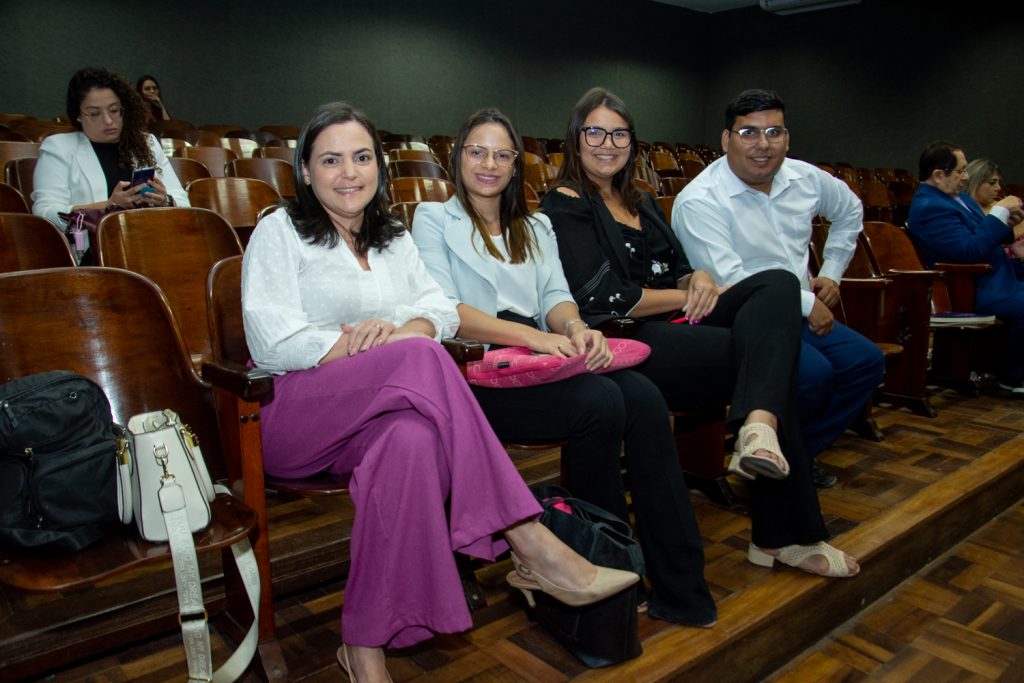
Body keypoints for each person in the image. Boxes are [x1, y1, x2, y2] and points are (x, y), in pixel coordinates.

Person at [241, 101, 638, 682]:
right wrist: (370, 347)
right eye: (331, 160)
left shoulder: (392, 236)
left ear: (377, 164)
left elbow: (436, 310)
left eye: (360, 158)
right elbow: (273, 339)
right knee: (418, 357)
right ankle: (527, 539)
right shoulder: (281, 230)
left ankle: (364, 648)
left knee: (410, 441)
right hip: (292, 411)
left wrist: (403, 332)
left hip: (376, 415)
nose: (349, 173)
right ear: (304, 170)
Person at [412, 108, 716, 626]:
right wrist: (540, 337)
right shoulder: (433, 220)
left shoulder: (536, 224)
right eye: (477, 151)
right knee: (601, 404)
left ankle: (679, 582)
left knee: (642, 397)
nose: (489, 164)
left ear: (516, 164)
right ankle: (610, 568)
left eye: (502, 154)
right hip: (478, 373)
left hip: (544, 359)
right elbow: (447, 312)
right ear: (457, 157)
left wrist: (575, 329)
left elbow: (556, 295)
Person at [541, 87, 859, 580]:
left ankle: (757, 430)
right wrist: (686, 295)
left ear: (632, 142)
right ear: (575, 139)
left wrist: (698, 279)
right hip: (626, 339)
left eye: (619, 133)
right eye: (595, 132)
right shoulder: (565, 203)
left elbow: (681, 268)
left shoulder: (638, 200)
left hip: (675, 322)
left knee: (776, 282)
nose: (608, 143)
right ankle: (783, 536)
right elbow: (607, 299)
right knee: (771, 364)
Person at [673, 88, 885, 490]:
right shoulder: (700, 200)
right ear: (726, 139)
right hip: (741, 318)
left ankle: (792, 459)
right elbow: (730, 283)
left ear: (787, 138)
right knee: (815, 375)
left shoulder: (804, 177)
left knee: (865, 362)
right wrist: (807, 303)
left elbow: (850, 210)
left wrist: (833, 273)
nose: (763, 145)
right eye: (748, 133)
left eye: (774, 132)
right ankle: (773, 459)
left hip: (801, 311)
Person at [32, 67, 188, 259]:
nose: (108, 120)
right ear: (78, 115)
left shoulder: (146, 143)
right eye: (94, 113)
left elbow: (183, 201)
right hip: (92, 254)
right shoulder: (59, 148)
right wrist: (108, 206)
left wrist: (166, 200)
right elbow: (45, 213)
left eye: (114, 110)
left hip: (149, 246)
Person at [907, 141, 1024, 394]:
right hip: (972, 287)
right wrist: (998, 213)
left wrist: (1006, 224)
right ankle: (1013, 377)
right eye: (960, 171)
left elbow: (983, 235)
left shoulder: (958, 199)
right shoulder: (930, 207)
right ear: (939, 174)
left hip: (998, 277)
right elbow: (968, 251)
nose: (966, 177)